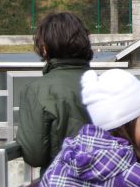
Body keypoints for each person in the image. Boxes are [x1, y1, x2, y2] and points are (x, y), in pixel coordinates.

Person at [17, 12, 93, 168]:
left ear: (45, 48)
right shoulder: (104, 83)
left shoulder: (37, 90)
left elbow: (34, 155)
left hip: (62, 185)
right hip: (110, 185)